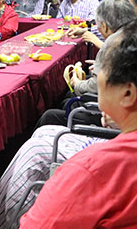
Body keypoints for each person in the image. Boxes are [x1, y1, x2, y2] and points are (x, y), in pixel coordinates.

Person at [20, 21, 137, 228]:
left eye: (103, 67)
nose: (96, 72)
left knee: (36, 147)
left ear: (127, 93)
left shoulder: (91, 171)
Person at [36, 0, 136, 128]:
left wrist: (77, 84)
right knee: (67, 98)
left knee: (50, 115)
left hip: (118, 115)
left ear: (104, 26)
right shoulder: (130, 33)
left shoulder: (113, 43)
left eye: (98, 25)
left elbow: (95, 87)